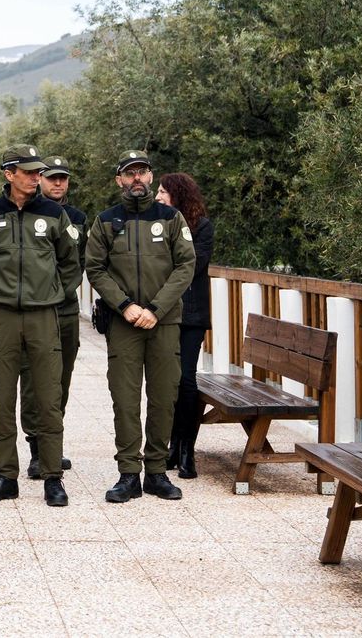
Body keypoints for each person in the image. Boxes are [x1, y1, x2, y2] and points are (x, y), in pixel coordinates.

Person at [86, 150, 197, 504]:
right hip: (124, 323)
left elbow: (185, 266)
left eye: (142, 172)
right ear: (119, 180)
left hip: (163, 322)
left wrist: (156, 309)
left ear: (150, 177)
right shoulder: (106, 221)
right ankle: (128, 474)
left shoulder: (171, 218)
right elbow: (95, 268)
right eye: (129, 173)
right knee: (125, 398)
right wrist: (125, 306)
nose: (137, 179)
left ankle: (157, 472)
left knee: (164, 397)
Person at [0, 145, 80, 507]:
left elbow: (71, 262)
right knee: (0, 400)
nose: (37, 177)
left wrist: (53, 294)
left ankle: (52, 476)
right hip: (2, 316)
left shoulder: (53, 213)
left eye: (39, 172)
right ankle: (6, 477)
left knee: (48, 399)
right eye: (29, 171)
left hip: (43, 316)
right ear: (9, 174)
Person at [21, 154, 86, 478]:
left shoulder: (78, 218)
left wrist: (59, 294)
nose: (58, 183)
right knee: (34, 381)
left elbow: (80, 262)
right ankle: (37, 450)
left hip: (66, 310)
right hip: (35, 311)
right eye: (51, 178)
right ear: (39, 180)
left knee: (61, 381)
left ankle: (52, 444)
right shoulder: (26, 213)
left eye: (63, 178)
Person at [159, 172, 214, 480]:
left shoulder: (202, 228)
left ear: (178, 195)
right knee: (168, 381)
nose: (157, 197)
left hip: (192, 315)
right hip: (164, 314)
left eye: (163, 192)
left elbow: (194, 265)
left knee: (186, 381)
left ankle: (186, 450)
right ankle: (170, 445)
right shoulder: (158, 226)